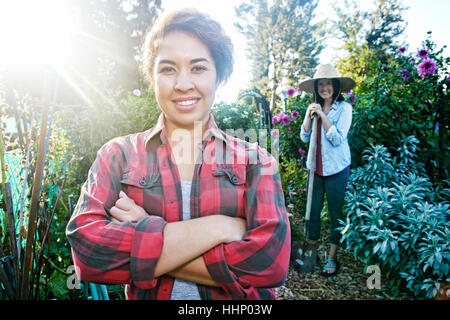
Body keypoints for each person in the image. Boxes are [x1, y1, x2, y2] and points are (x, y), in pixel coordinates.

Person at [66, 8, 290, 300]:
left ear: (218, 77)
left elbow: (269, 265)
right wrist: (220, 226)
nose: (183, 84)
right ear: (152, 77)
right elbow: (88, 256)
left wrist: (146, 229)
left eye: (198, 68)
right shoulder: (117, 155)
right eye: (168, 69)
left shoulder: (255, 161)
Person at [298, 64, 355, 276]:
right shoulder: (313, 107)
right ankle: (310, 254)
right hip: (315, 169)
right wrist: (309, 115)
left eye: (329, 83)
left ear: (336, 86)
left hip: (337, 170)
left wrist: (323, 116)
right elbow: (304, 138)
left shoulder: (345, 109)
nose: (325, 88)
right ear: (316, 87)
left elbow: (338, 139)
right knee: (312, 212)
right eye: (321, 84)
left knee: (335, 214)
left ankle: (332, 257)